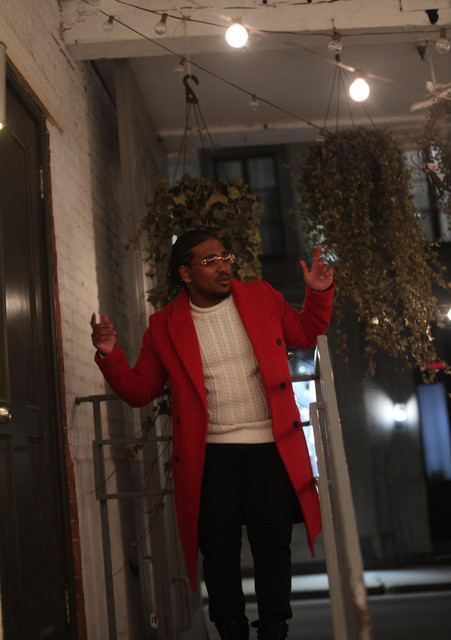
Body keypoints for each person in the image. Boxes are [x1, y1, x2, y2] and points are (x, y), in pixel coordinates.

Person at [91, 229, 334, 640]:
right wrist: (109, 354)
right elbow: (140, 391)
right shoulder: (164, 326)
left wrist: (318, 293)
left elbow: (306, 334)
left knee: (272, 546)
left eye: (225, 257)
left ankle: (275, 629)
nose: (222, 266)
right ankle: (231, 631)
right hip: (210, 456)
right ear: (185, 274)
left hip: (269, 448)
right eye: (209, 261)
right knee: (218, 551)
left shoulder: (261, 297)